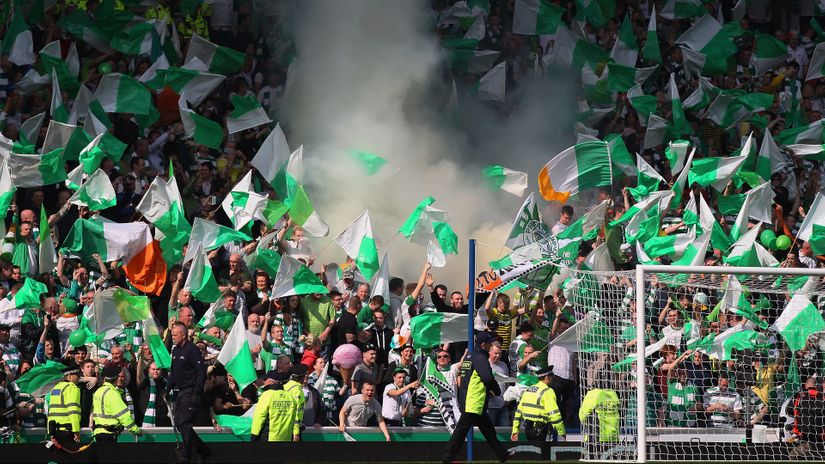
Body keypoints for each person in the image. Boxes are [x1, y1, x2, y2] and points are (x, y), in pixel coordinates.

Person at [442, 331, 509, 464]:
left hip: (470, 399)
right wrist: (496, 390)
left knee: (488, 430)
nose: (491, 345)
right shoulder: (480, 357)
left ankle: (502, 454)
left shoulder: (470, 355)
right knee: (461, 432)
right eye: (490, 343)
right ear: (484, 345)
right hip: (474, 401)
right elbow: (487, 377)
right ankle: (447, 458)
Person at [168, 322, 210, 463]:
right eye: (172, 335)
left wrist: (197, 390)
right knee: (179, 424)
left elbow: (201, 371)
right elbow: (174, 373)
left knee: (185, 423)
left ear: (184, 335)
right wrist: (167, 389)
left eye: (175, 335)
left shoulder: (192, 350)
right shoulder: (175, 351)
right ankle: (202, 449)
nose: (173, 337)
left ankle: (185, 456)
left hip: (191, 391)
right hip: (180, 392)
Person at [511, 366, 566, 445]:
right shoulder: (547, 391)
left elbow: (518, 412)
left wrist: (515, 430)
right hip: (540, 430)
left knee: (533, 450)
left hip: (528, 428)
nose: (553, 379)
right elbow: (554, 415)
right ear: (547, 377)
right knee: (542, 451)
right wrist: (561, 432)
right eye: (552, 376)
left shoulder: (528, 389)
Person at [92, 365, 143, 442]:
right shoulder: (113, 393)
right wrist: (136, 430)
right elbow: (123, 416)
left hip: (97, 433)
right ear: (115, 379)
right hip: (109, 435)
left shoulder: (98, 391)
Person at [251, 370, 300, 442]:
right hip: (286, 438)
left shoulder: (266, 395)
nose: (264, 382)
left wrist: (254, 435)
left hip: (268, 437)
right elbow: (295, 417)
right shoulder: (290, 396)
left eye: (266, 379)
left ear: (272, 381)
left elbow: (259, 417)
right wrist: (296, 432)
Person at [47, 361, 82, 450]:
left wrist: (51, 432)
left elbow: (51, 411)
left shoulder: (56, 388)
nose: (79, 377)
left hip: (55, 431)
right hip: (67, 431)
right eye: (77, 374)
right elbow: (73, 411)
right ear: (69, 376)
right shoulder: (72, 388)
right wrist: (76, 430)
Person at [579, 383, 620, 458]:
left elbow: (583, 414)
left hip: (596, 437)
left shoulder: (593, 393)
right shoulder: (613, 394)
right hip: (613, 436)